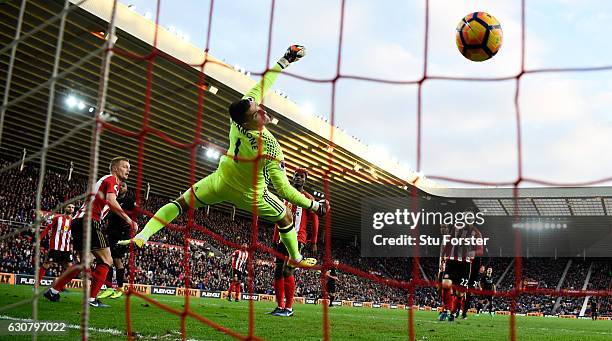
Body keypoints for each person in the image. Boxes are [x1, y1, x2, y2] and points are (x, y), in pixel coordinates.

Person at [119, 45, 329, 270]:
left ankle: (143, 235)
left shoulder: (237, 118)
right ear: (249, 122)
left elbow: (261, 86)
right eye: (256, 112)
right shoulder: (270, 146)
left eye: (257, 105)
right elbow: (285, 190)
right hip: (252, 194)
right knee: (285, 215)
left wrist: (284, 61)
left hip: (221, 181)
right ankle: (295, 257)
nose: (261, 109)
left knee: (180, 204)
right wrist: (314, 206)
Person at [44, 157, 136, 307]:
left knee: (83, 262)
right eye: (125, 166)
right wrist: (128, 220)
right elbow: (112, 202)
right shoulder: (111, 179)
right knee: (107, 260)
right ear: (115, 168)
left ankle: (53, 291)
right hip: (89, 220)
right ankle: (91, 299)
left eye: (129, 167)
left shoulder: (108, 182)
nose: (128, 170)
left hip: (79, 221)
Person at [269, 169, 319, 317]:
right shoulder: (285, 195)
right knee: (278, 272)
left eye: (301, 177)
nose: (298, 178)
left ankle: (289, 309)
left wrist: (314, 242)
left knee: (287, 270)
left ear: (305, 180)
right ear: (292, 177)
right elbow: (279, 217)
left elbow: (315, 220)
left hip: (298, 238)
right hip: (282, 238)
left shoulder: (307, 198)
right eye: (296, 176)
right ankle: (280, 306)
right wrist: (274, 238)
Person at [97, 181, 136, 299]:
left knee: (116, 260)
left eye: (123, 186)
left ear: (127, 189)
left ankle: (119, 288)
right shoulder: (112, 199)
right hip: (110, 233)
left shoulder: (129, 201)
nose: (121, 187)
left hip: (122, 234)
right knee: (108, 259)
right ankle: (109, 288)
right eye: (119, 186)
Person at [37, 204, 75, 286]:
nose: (71, 208)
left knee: (70, 268)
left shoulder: (74, 221)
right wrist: (39, 239)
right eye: (69, 207)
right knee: (46, 265)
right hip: (55, 247)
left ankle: (59, 284)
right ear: (65, 208)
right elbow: (47, 228)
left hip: (66, 248)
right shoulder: (57, 218)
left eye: (73, 207)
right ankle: (36, 284)